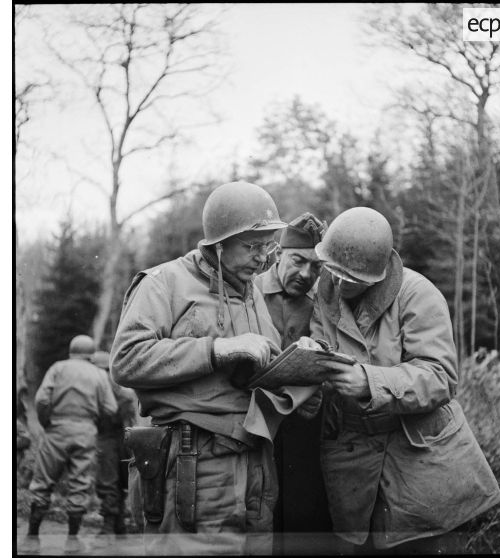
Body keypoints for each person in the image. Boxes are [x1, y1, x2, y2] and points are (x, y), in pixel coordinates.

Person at [111, 181, 313, 555]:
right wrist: (218, 349)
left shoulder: (252, 292)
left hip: (255, 465)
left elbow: (258, 370)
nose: (262, 258)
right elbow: (126, 360)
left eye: (268, 246)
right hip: (194, 462)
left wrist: (299, 368)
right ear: (218, 245)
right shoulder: (165, 283)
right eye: (252, 246)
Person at [300, 207, 500, 554]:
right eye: (332, 271)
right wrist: (312, 353)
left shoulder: (417, 293)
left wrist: (369, 381)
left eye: (352, 278)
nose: (340, 282)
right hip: (354, 461)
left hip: (418, 460)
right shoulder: (326, 290)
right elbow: (324, 343)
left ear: (378, 274)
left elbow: (440, 377)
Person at [254, 212, 332, 553]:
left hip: (303, 428)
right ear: (278, 255)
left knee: (302, 513)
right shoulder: (249, 293)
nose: (306, 274)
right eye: (298, 261)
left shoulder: (322, 304)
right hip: (255, 425)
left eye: (316, 267)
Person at [24, 335, 118, 550]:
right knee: (80, 484)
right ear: (91, 353)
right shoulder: (98, 374)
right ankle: (72, 539)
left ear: (71, 350)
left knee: (42, 483)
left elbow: (41, 399)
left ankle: (31, 537)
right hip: (85, 432)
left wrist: (47, 422)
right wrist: (94, 423)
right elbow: (111, 408)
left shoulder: (58, 368)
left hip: (56, 429)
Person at [91, 350, 137, 535]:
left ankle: (109, 526)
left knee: (108, 481)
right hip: (124, 439)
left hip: (108, 439)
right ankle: (118, 525)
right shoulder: (122, 389)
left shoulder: (101, 389)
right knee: (119, 481)